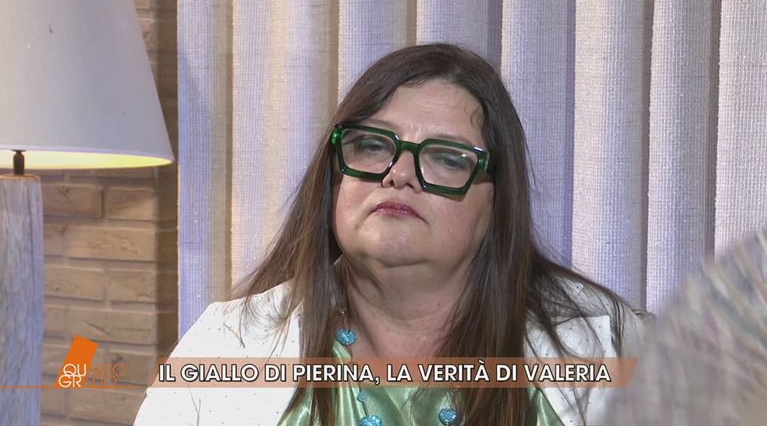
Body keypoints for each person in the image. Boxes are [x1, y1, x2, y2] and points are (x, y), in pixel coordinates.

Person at [134, 43, 645, 425]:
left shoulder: (610, 343)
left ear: (497, 203)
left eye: (447, 158)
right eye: (373, 145)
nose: (398, 174)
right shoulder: (225, 344)